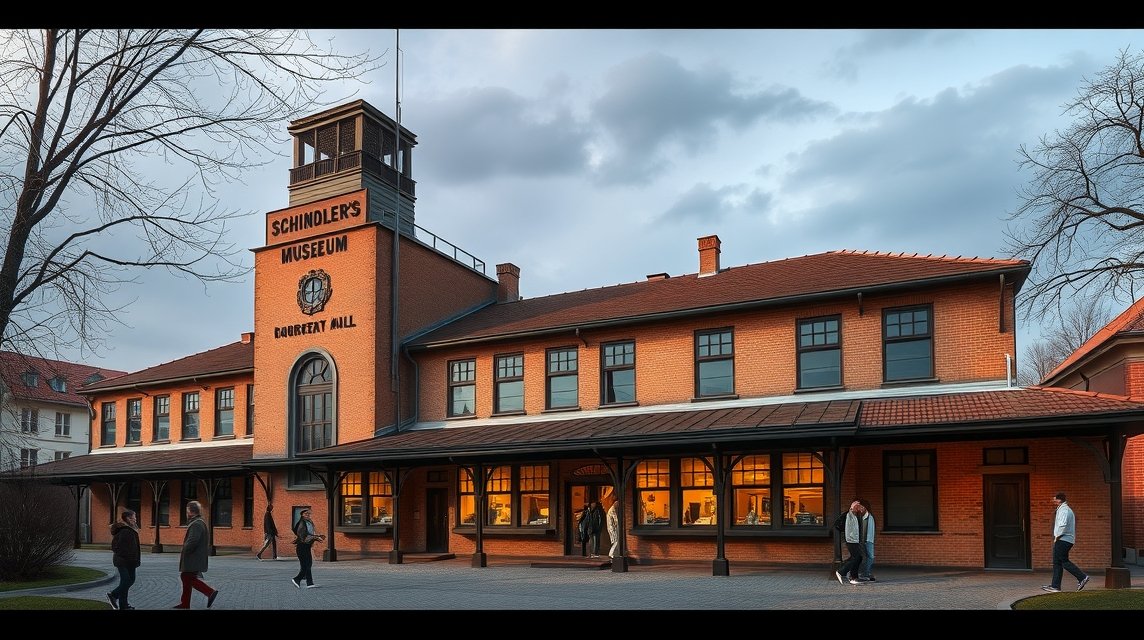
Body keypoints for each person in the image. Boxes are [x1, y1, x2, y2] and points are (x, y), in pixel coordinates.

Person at [1042, 492, 1091, 593]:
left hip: (1063, 539)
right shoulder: (1062, 509)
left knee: (1063, 561)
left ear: (1059, 500)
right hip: (1063, 539)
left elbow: (1062, 525)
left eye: (1054, 499)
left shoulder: (1064, 510)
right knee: (1057, 563)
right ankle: (1055, 586)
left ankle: (1082, 577)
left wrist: (1057, 537)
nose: (1053, 501)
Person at [175, 500, 220, 609]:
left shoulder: (196, 524)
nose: (186, 512)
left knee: (187, 577)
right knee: (186, 577)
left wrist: (185, 550)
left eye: (187, 510)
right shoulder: (199, 522)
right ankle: (185, 604)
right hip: (195, 557)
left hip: (193, 558)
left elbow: (192, 541)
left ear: (190, 511)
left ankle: (210, 592)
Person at [107, 509, 140, 610]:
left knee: (128, 581)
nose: (135, 519)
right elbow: (116, 546)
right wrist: (125, 555)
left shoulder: (131, 529)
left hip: (131, 560)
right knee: (126, 581)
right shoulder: (125, 530)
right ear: (129, 518)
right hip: (123, 560)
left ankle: (123, 605)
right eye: (134, 517)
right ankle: (113, 595)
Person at [292, 508, 325, 588]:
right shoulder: (302, 523)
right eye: (306, 513)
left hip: (306, 546)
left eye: (309, 513)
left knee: (307, 564)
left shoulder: (309, 523)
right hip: (302, 546)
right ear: (302, 515)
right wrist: (316, 538)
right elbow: (303, 536)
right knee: (306, 565)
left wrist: (317, 537)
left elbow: (309, 534)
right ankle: (297, 579)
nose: (308, 515)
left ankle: (309, 583)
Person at [835, 500, 865, 585]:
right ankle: (841, 571)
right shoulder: (849, 514)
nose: (859, 508)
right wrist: (852, 507)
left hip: (855, 540)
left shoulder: (855, 515)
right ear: (854, 507)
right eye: (858, 507)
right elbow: (838, 524)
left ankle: (853, 577)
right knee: (856, 557)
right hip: (851, 540)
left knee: (858, 557)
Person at [857, 499, 876, 582]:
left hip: (869, 540)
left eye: (862, 507)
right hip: (864, 540)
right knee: (865, 557)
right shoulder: (861, 517)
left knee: (870, 557)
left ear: (865, 507)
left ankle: (865, 573)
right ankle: (864, 573)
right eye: (859, 507)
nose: (860, 509)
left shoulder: (869, 517)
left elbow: (870, 530)